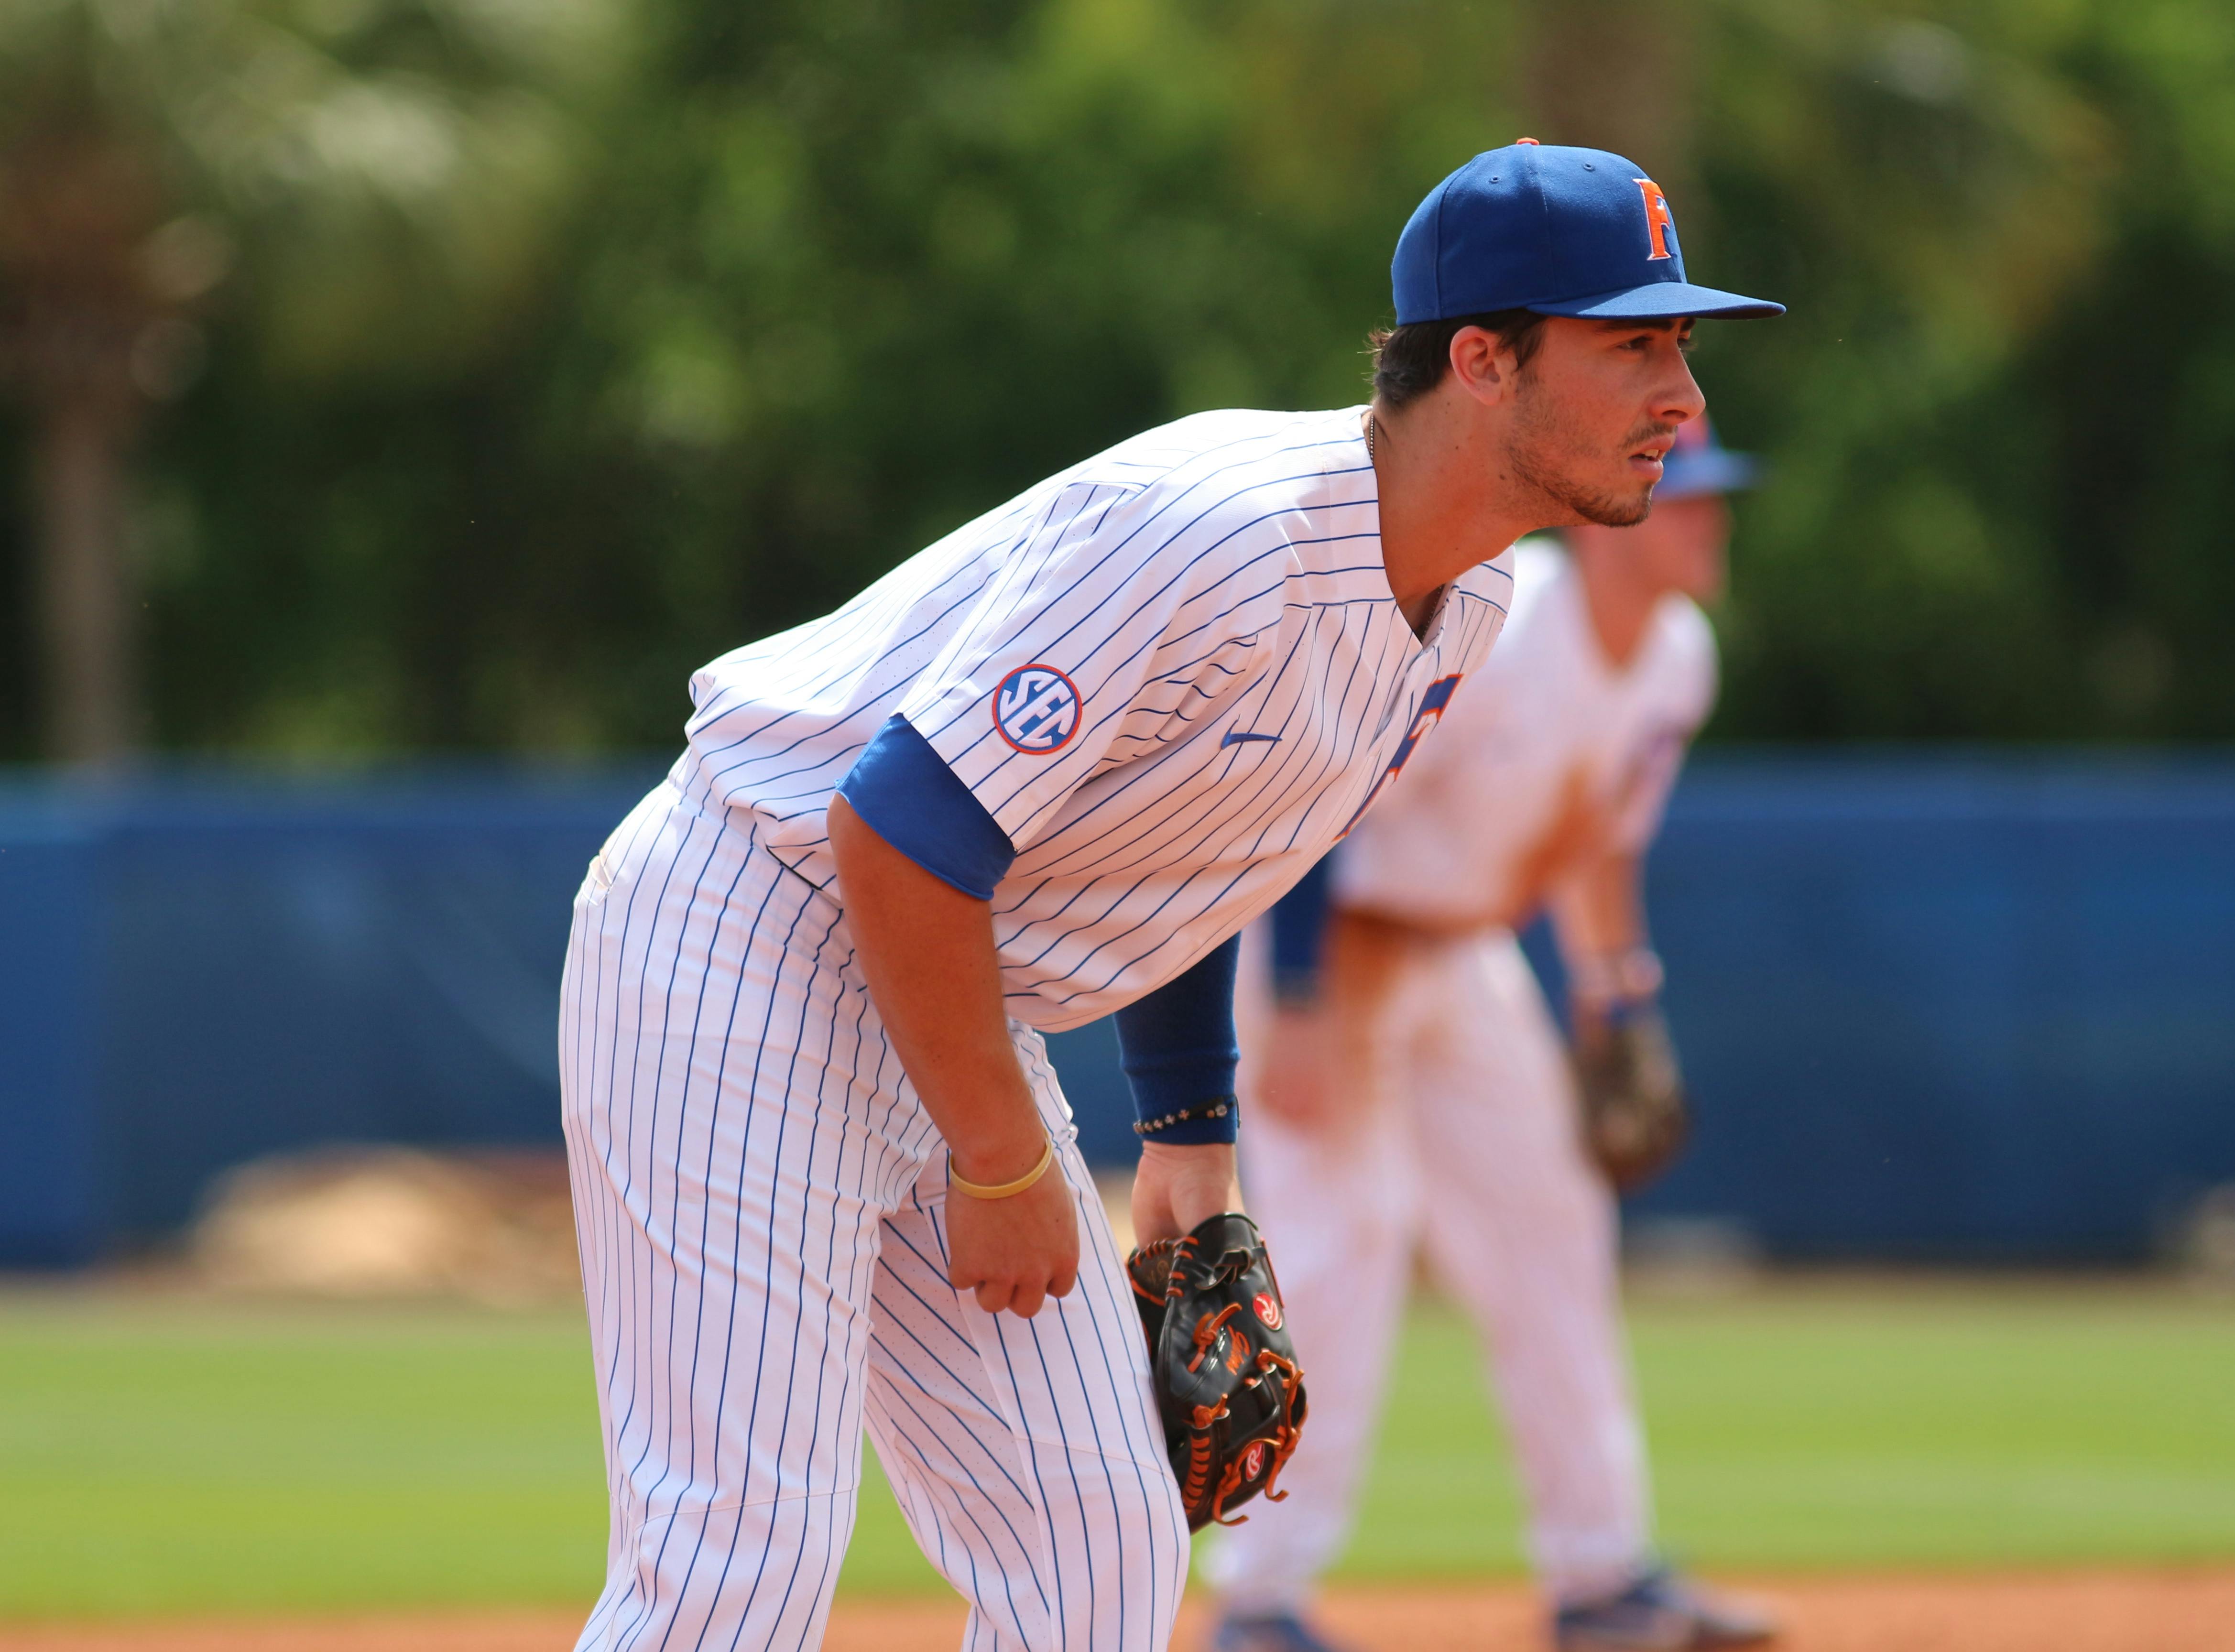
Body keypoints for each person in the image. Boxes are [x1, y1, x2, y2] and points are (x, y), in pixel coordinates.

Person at [556, 138, 1777, 1652]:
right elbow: (896, 828)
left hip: (946, 984)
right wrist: (1001, 1161)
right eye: (1637, 344)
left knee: (1097, 1538)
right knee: (740, 1557)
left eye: (1682, 347)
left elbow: (1201, 851)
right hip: (750, 935)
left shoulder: (1467, 601)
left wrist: (1189, 1143)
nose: (1686, 399)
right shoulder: (1222, 526)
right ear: (1484, 359)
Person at [1207, 415, 1777, 1652]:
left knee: (1553, 1225)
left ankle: (1600, 1579)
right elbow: (1327, 791)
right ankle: (1257, 1605)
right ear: (1606, 519)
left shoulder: (1679, 658)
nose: (1709, 517)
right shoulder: (1509, 635)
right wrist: (1296, 1006)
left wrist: (1616, 995)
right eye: (1685, 496)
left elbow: (1595, 844)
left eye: (1712, 493)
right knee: (1344, 1247)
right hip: (1335, 948)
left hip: (1464, 953)